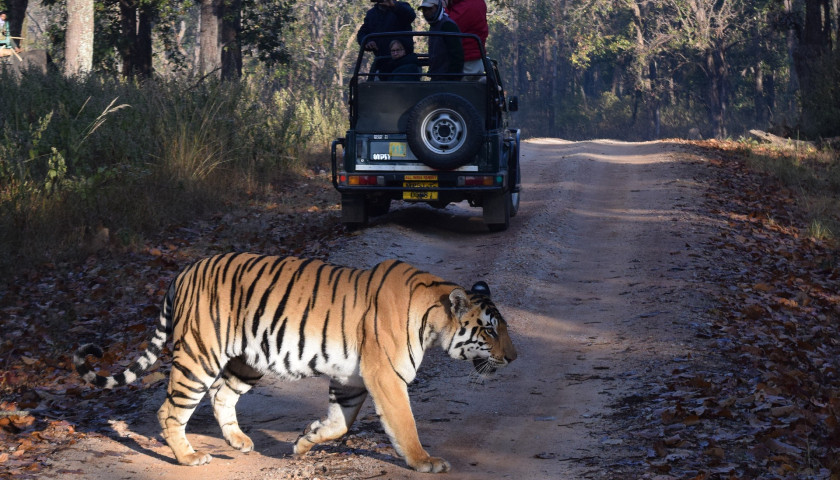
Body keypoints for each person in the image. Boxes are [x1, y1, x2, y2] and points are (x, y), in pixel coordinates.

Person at [356, 0, 416, 76]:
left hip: (404, 64)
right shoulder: (371, 14)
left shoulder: (402, 6)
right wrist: (368, 41)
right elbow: (362, 33)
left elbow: (410, 16)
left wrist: (393, 5)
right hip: (383, 64)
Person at [418, 0, 463, 81]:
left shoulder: (447, 25)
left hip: (447, 79)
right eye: (424, 9)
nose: (426, 12)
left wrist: (452, 79)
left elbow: (457, 55)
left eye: (429, 9)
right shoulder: (434, 25)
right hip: (437, 77)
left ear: (437, 7)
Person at [445, 0, 487, 78]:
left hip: (467, 61)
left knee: (459, 88)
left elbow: (449, 27)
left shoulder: (469, 5)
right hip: (469, 59)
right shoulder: (463, 4)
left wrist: (443, 8)